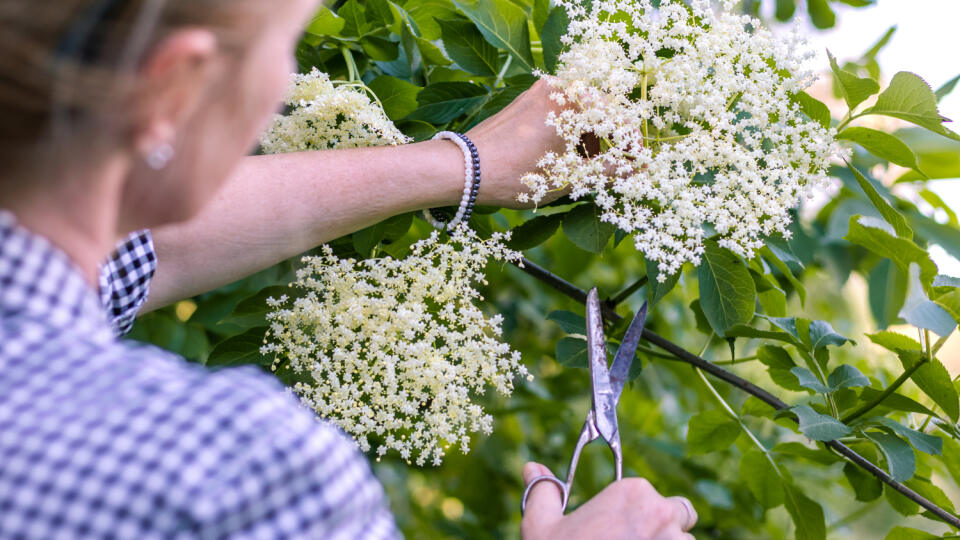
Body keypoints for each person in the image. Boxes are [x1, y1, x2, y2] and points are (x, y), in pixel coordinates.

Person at [0, 0, 698, 538]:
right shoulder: (237, 468)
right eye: (287, 44)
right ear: (175, 88)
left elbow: (143, 251)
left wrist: (463, 165)